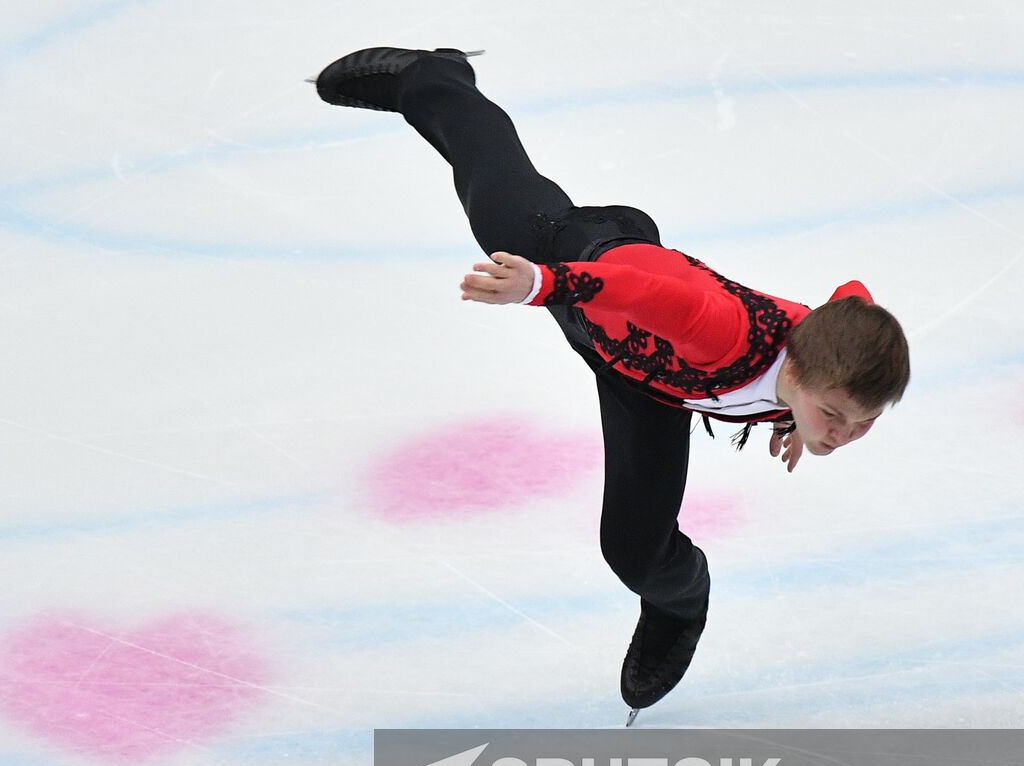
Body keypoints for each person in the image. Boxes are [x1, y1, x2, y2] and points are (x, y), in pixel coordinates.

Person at [311, 47, 911, 720]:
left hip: (648, 380)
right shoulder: (722, 331)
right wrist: (540, 282)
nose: (846, 433)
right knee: (486, 177)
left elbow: (852, 298)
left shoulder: (830, 349)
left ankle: (681, 600)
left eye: (861, 423)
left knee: (631, 549)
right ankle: (435, 77)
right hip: (583, 260)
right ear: (796, 370)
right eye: (834, 414)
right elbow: (641, 292)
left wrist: (801, 417)